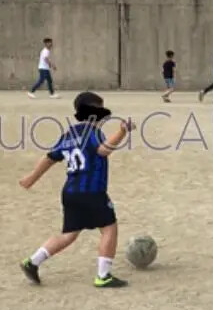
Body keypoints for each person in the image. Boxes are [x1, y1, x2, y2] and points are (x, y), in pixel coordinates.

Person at [18, 91, 135, 288]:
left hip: (70, 192)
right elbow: (103, 150)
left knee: (69, 235)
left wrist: (31, 178)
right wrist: (122, 131)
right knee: (109, 228)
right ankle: (103, 275)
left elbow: (50, 157)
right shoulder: (93, 133)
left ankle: (32, 261)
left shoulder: (69, 134)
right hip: (92, 192)